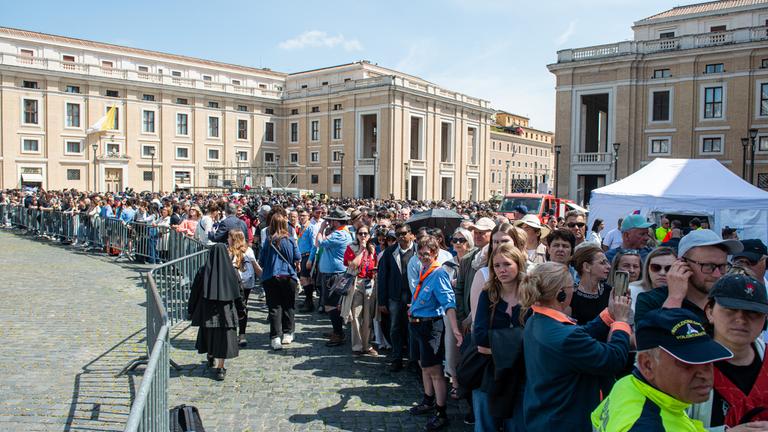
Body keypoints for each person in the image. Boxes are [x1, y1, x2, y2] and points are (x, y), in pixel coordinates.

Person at [520, 262, 632, 431]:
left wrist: (609, 314)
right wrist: (621, 322)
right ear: (561, 294)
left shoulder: (535, 320)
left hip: (544, 417)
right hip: (566, 421)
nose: (575, 288)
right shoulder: (567, 337)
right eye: (572, 285)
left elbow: (580, 337)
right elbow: (613, 359)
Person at [592, 308, 734, 431]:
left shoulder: (629, 384)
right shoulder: (646, 425)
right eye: (686, 364)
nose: (704, 374)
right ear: (648, 365)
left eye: (708, 360)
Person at [686, 273, 768, 430]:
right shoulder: (686, 363)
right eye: (730, 309)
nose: (741, 319)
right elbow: (664, 424)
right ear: (710, 311)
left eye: (753, 312)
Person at [407, 235, 463, 431]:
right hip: (418, 323)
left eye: (427, 254)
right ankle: (428, 400)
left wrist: (455, 328)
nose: (423, 257)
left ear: (435, 253)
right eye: (420, 254)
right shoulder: (424, 270)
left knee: (436, 371)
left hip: (432, 326)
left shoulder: (438, 273)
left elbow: (449, 303)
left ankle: (441, 411)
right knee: (424, 366)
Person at [472, 243, 528, 431]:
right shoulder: (488, 294)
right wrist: (516, 341)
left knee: (518, 426)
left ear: (518, 264)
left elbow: (533, 338)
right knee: (486, 426)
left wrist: (496, 343)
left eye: (507, 264)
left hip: (521, 375)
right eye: (497, 266)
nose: (502, 270)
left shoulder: (531, 295)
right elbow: (480, 337)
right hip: (489, 373)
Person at [635, 229, 742, 325]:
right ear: (682, 264)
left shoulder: (729, 302)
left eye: (722, 266)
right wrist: (674, 298)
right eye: (708, 266)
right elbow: (651, 343)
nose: (717, 274)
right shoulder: (651, 300)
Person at [188, 243, 244, 381]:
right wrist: (241, 309)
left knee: (210, 335)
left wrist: (191, 309)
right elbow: (239, 293)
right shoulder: (233, 271)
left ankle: (211, 355)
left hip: (208, 311)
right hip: (226, 312)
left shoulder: (203, 270)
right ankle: (220, 367)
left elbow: (194, 291)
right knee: (224, 339)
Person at [259, 213, 301, 351]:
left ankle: (275, 337)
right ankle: (288, 333)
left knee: (274, 307)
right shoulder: (290, 240)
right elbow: (297, 257)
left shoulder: (269, 240)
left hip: (271, 276)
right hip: (288, 276)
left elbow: (262, 260)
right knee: (289, 305)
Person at [313, 207, 354, 347]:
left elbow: (318, 243)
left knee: (331, 305)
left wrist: (321, 229)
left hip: (333, 274)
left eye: (330, 220)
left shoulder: (339, 234)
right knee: (332, 304)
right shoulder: (341, 232)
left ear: (336, 221)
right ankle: (337, 330)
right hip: (333, 272)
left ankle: (338, 333)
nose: (328, 222)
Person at [343, 224, 378, 356]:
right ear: (357, 235)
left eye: (365, 234)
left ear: (369, 236)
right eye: (360, 233)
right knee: (356, 315)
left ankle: (367, 345)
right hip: (356, 282)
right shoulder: (351, 248)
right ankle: (357, 346)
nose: (363, 236)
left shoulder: (373, 249)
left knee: (368, 316)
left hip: (370, 283)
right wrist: (362, 250)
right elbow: (352, 264)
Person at [456, 217, 495, 331]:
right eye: (476, 232)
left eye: (482, 232)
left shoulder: (499, 260)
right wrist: (463, 317)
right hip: (468, 322)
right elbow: (459, 290)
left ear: (492, 234)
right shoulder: (467, 259)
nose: (477, 235)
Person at [228, 229, 259, 347]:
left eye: (229, 237)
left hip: (234, 283)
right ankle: (242, 335)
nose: (227, 239)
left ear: (233, 239)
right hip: (246, 283)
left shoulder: (229, 251)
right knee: (243, 306)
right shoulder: (248, 250)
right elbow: (255, 266)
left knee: (233, 307)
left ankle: (235, 333)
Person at [570, 244, 613, 324]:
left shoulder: (610, 291)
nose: (609, 266)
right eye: (602, 263)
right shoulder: (571, 295)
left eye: (607, 262)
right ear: (586, 267)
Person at [629, 246, 676, 311]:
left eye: (669, 268)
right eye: (656, 267)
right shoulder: (632, 290)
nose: (662, 273)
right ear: (647, 269)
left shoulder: (685, 294)